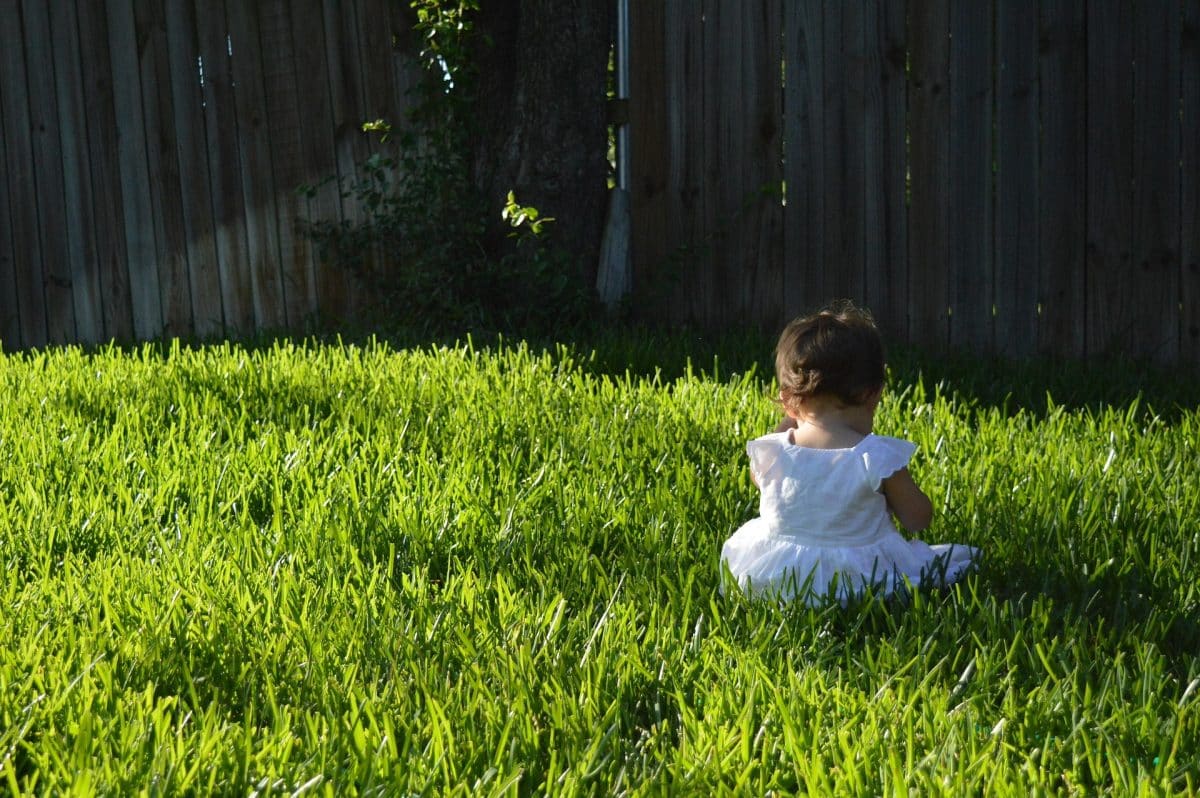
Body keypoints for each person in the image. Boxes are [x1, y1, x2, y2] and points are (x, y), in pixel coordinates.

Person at [720, 302, 977, 605]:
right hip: (858, 581)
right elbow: (918, 519)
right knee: (949, 563)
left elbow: (759, 481)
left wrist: (787, 424)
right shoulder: (874, 456)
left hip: (778, 578)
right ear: (874, 394)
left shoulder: (773, 451)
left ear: (788, 403)